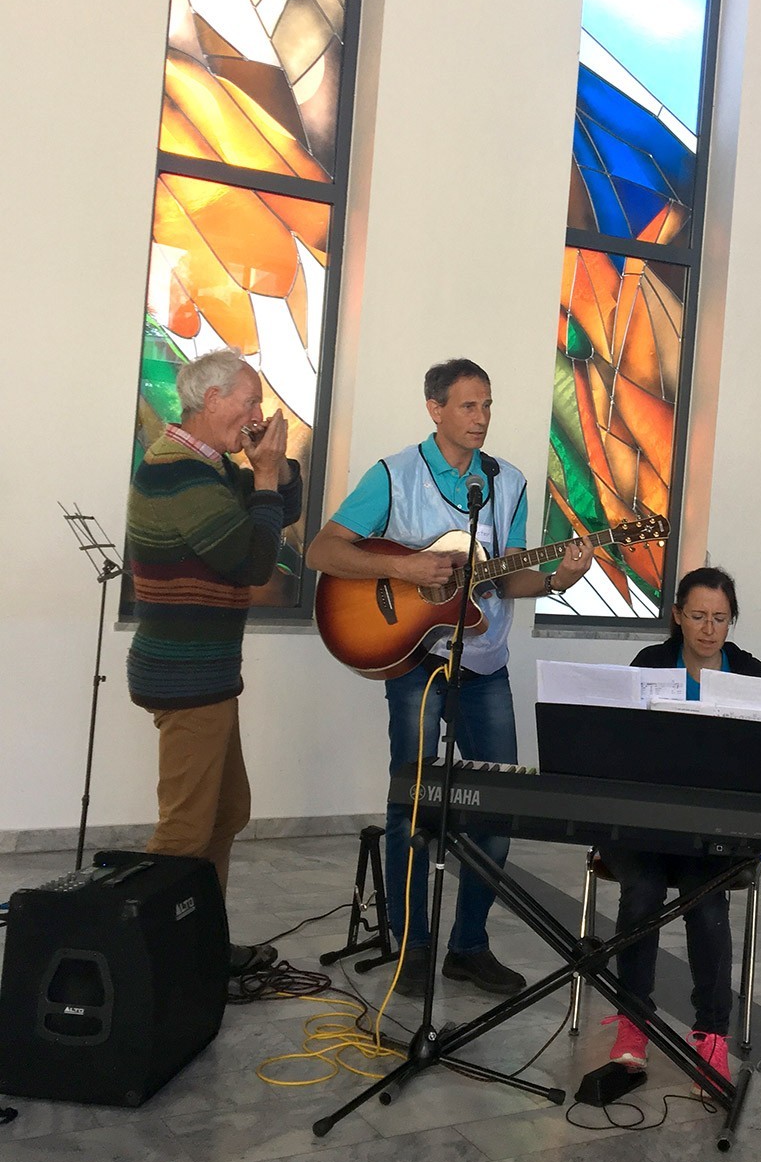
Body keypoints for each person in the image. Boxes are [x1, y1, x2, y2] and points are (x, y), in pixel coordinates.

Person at [306, 358, 593, 997]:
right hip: (415, 662)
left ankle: (468, 946)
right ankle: (412, 946)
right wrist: (406, 570)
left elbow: (508, 576)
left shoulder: (508, 482)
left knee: (499, 803)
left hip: (485, 663)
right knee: (411, 805)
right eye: (468, 405)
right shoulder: (393, 475)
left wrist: (558, 578)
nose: (481, 418)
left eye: (487, 405)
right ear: (435, 409)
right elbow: (322, 550)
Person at [126, 349, 302, 976]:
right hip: (185, 672)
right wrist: (264, 477)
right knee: (184, 831)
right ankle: (153, 968)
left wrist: (273, 467)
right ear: (212, 400)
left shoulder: (211, 465)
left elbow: (282, 511)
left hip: (207, 673)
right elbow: (251, 561)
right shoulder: (178, 472)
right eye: (249, 401)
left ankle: (200, 945)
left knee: (225, 814)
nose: (258, 413)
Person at [601, 567, 761, 1087]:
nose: (709, 629)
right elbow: (618, 748)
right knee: (642, 892)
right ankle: (633, 1021)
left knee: (707, 900)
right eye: (697, 616)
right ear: (677, 616)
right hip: (646, 824)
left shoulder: (750, 672)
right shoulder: (649, 664)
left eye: (720, 618)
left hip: (713, 830)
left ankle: (712, 1035)